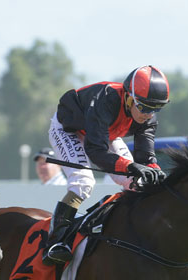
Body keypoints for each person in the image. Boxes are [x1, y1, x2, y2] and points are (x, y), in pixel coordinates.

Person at [43, 65, 170, 265]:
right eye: (144, 107)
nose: (149, 114)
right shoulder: (105, 100)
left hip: (103, 134)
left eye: (156, 109)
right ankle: (56, 241)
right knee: (83, 182)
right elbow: (96, 152)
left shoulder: (147, 117)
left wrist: (155, 172)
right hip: (68, 129)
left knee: (138, 183)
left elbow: (146, 157)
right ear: (129, 97)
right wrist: (130, 166)